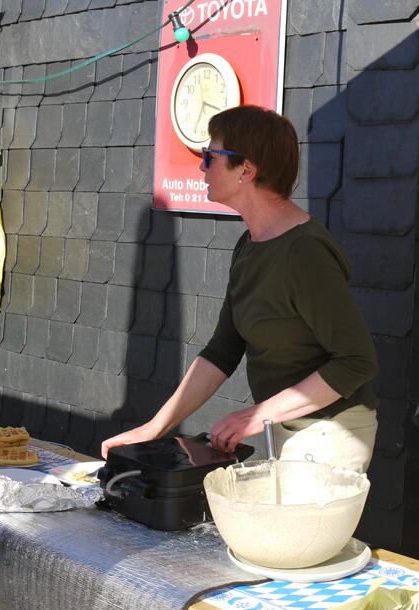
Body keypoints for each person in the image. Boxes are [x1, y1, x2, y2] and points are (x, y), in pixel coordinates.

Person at [102, 105, 379, 472]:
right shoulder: (249, 246)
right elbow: (222, 350)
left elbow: (357, 360)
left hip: (332, 434)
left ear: (246, 170)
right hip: (288, 429)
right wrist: (154, 428)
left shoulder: (304, 251)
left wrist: (257, 415)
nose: (202, 167)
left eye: (210, 156)